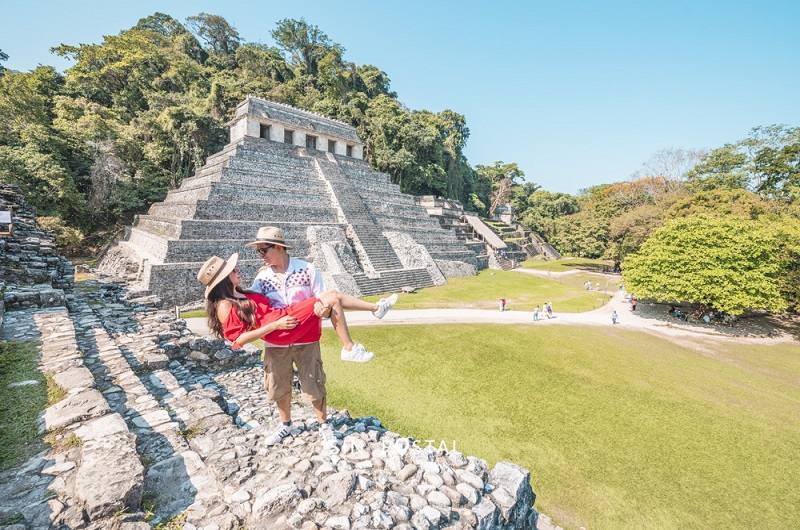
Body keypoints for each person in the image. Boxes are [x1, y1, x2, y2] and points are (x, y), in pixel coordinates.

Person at [199, 252, 364, 450]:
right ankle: (286, 425)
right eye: (233, 270)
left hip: (293, 330)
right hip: (277, 337)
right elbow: (238, 339)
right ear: (224, 279)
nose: (238, 270)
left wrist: (266, 273)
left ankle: (323, 425)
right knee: (279, 386)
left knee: (313, 381)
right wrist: (275, 326)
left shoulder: (245, 293)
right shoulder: (225, 305)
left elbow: (261, 307)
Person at [247, 226, 397, 362]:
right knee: (333, 295)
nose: (260, 255)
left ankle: (373, 312)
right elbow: (247, 303)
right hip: (278, 341)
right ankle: (356, 336)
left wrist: (325, 313)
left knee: (332, 296)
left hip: (306, 339)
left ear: (278, 247)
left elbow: (326, 309)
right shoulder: (262, 278)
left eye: (262, 250)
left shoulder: (306, 269)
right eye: (258, 251)